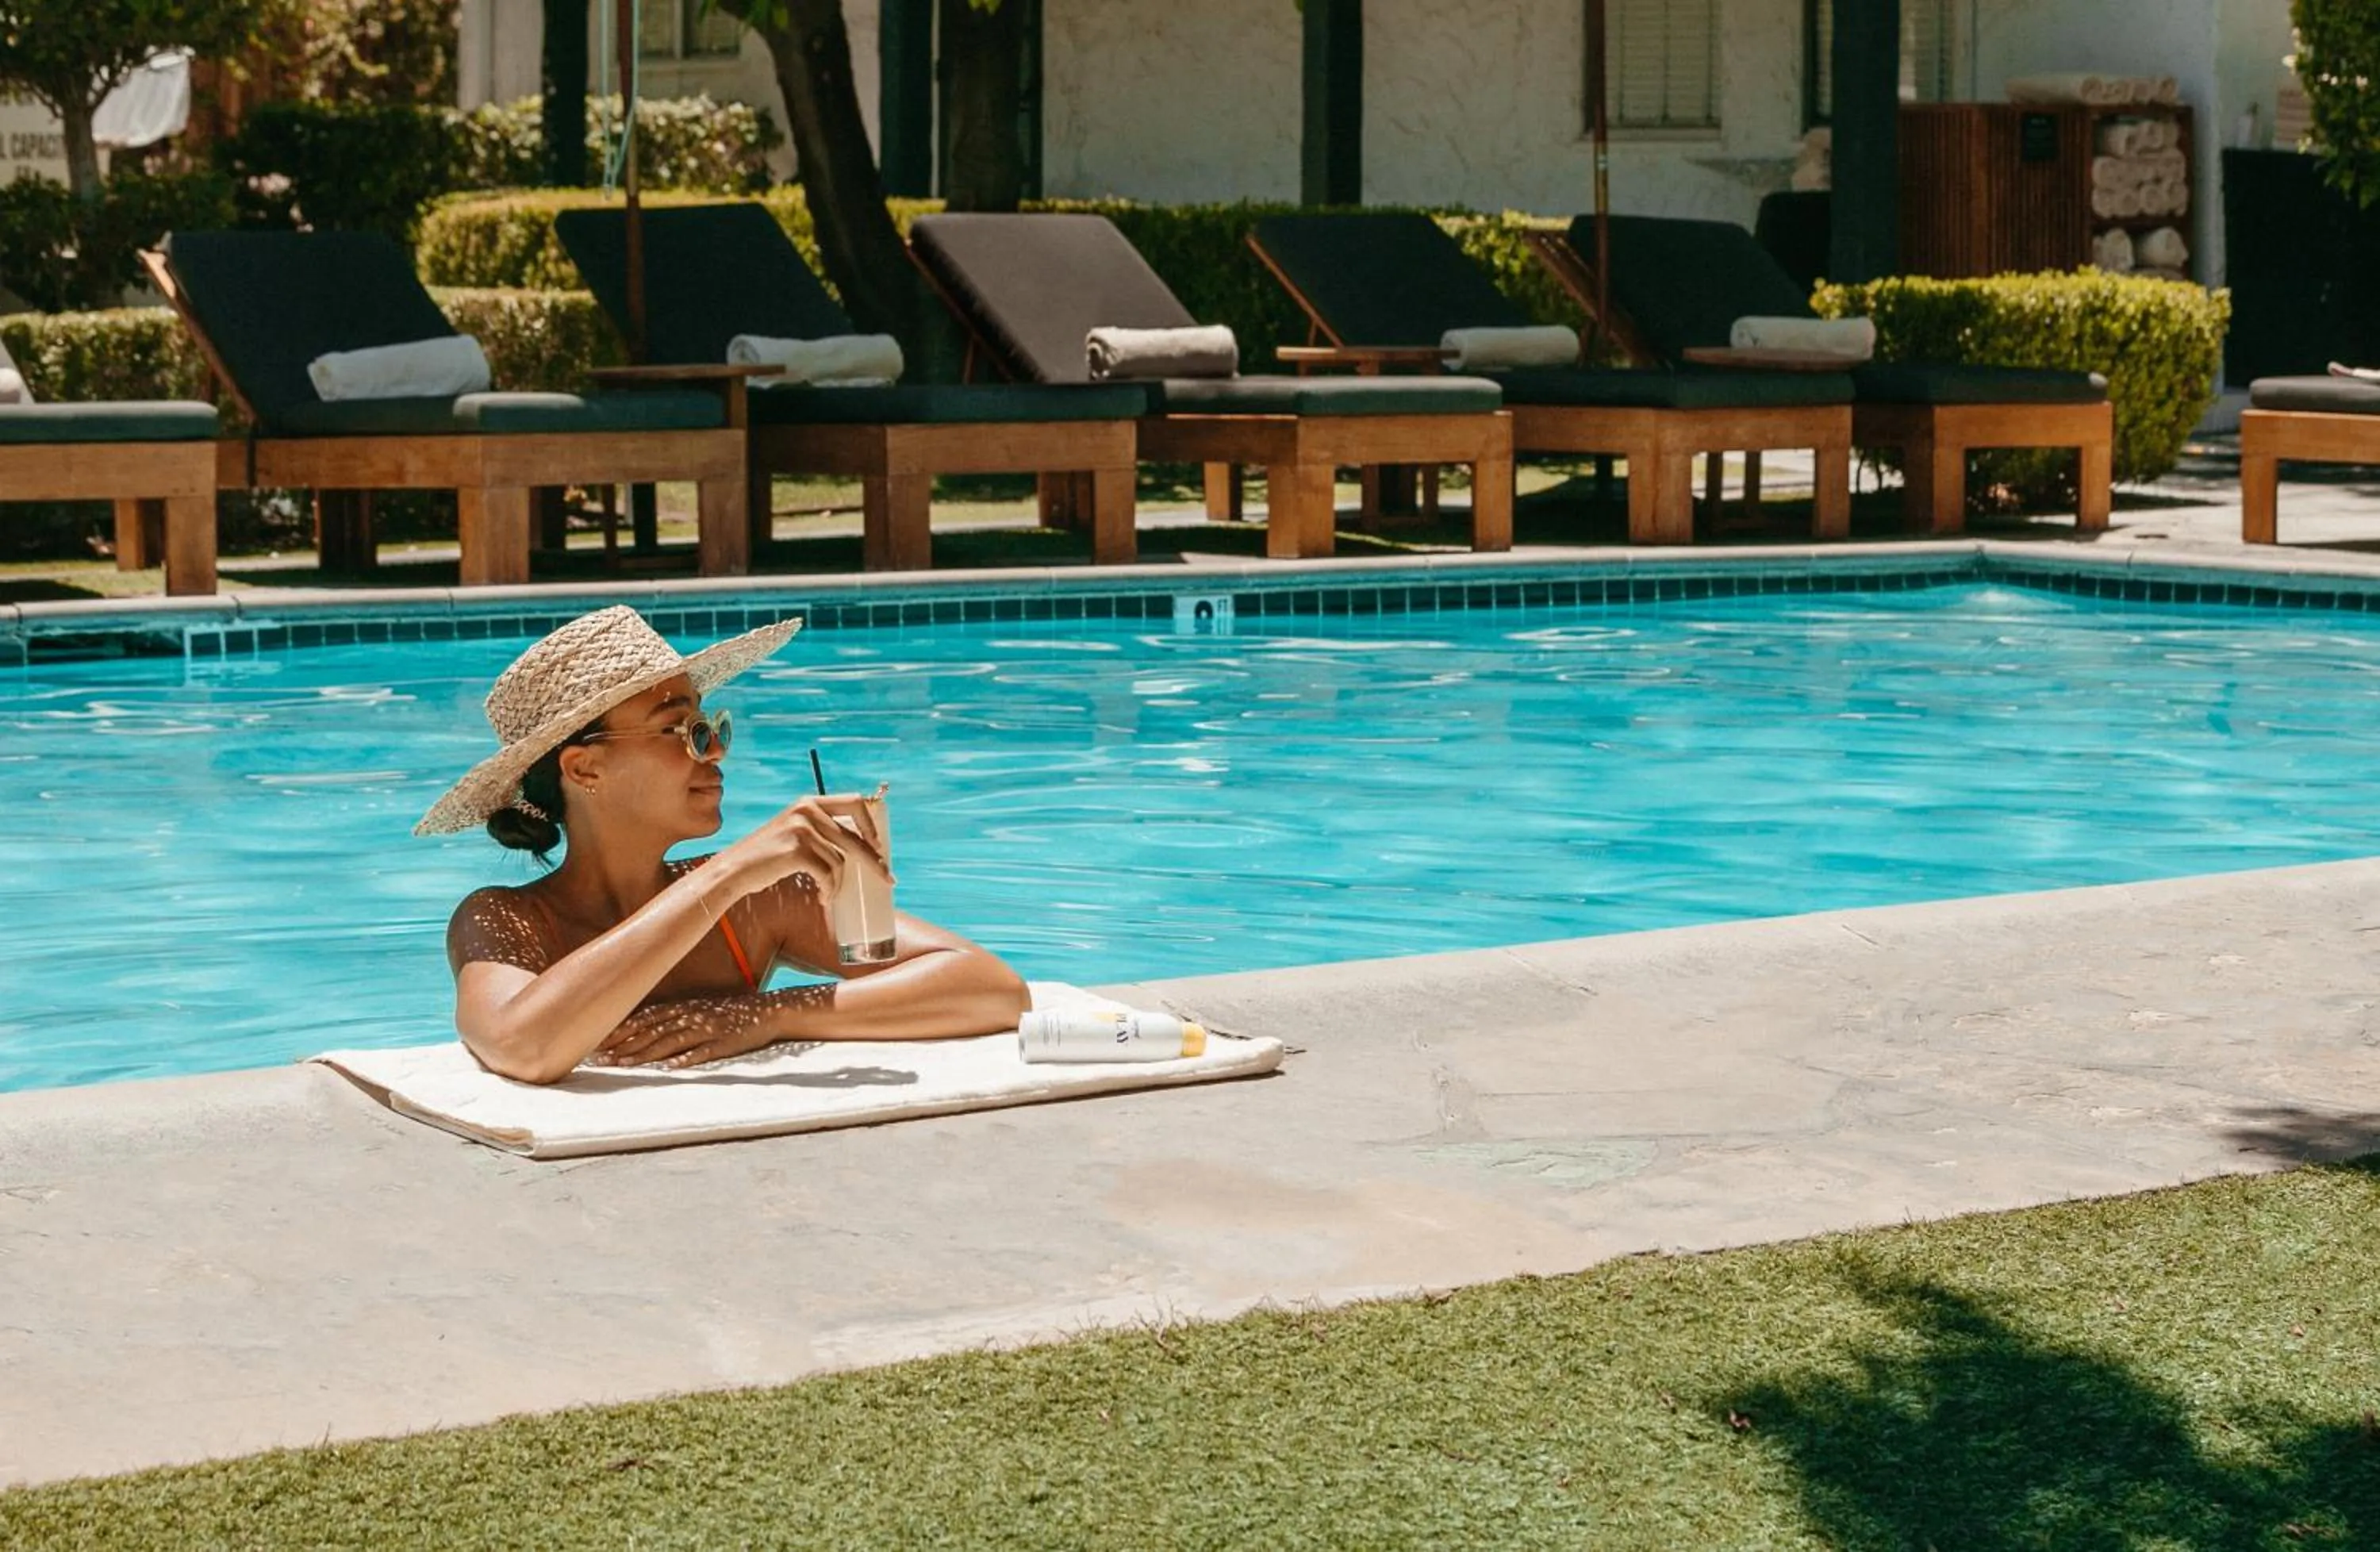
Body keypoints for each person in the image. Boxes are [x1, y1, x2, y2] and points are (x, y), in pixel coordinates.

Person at [414, 605, 1029, 1085]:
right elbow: (523, 1047)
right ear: (585, 770)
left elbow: (993, 989)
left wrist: (769, 1015)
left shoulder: (758, 904)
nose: (714, 751)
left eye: (708, 725)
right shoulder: (507, 917)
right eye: (680, 730)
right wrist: (729, 874)